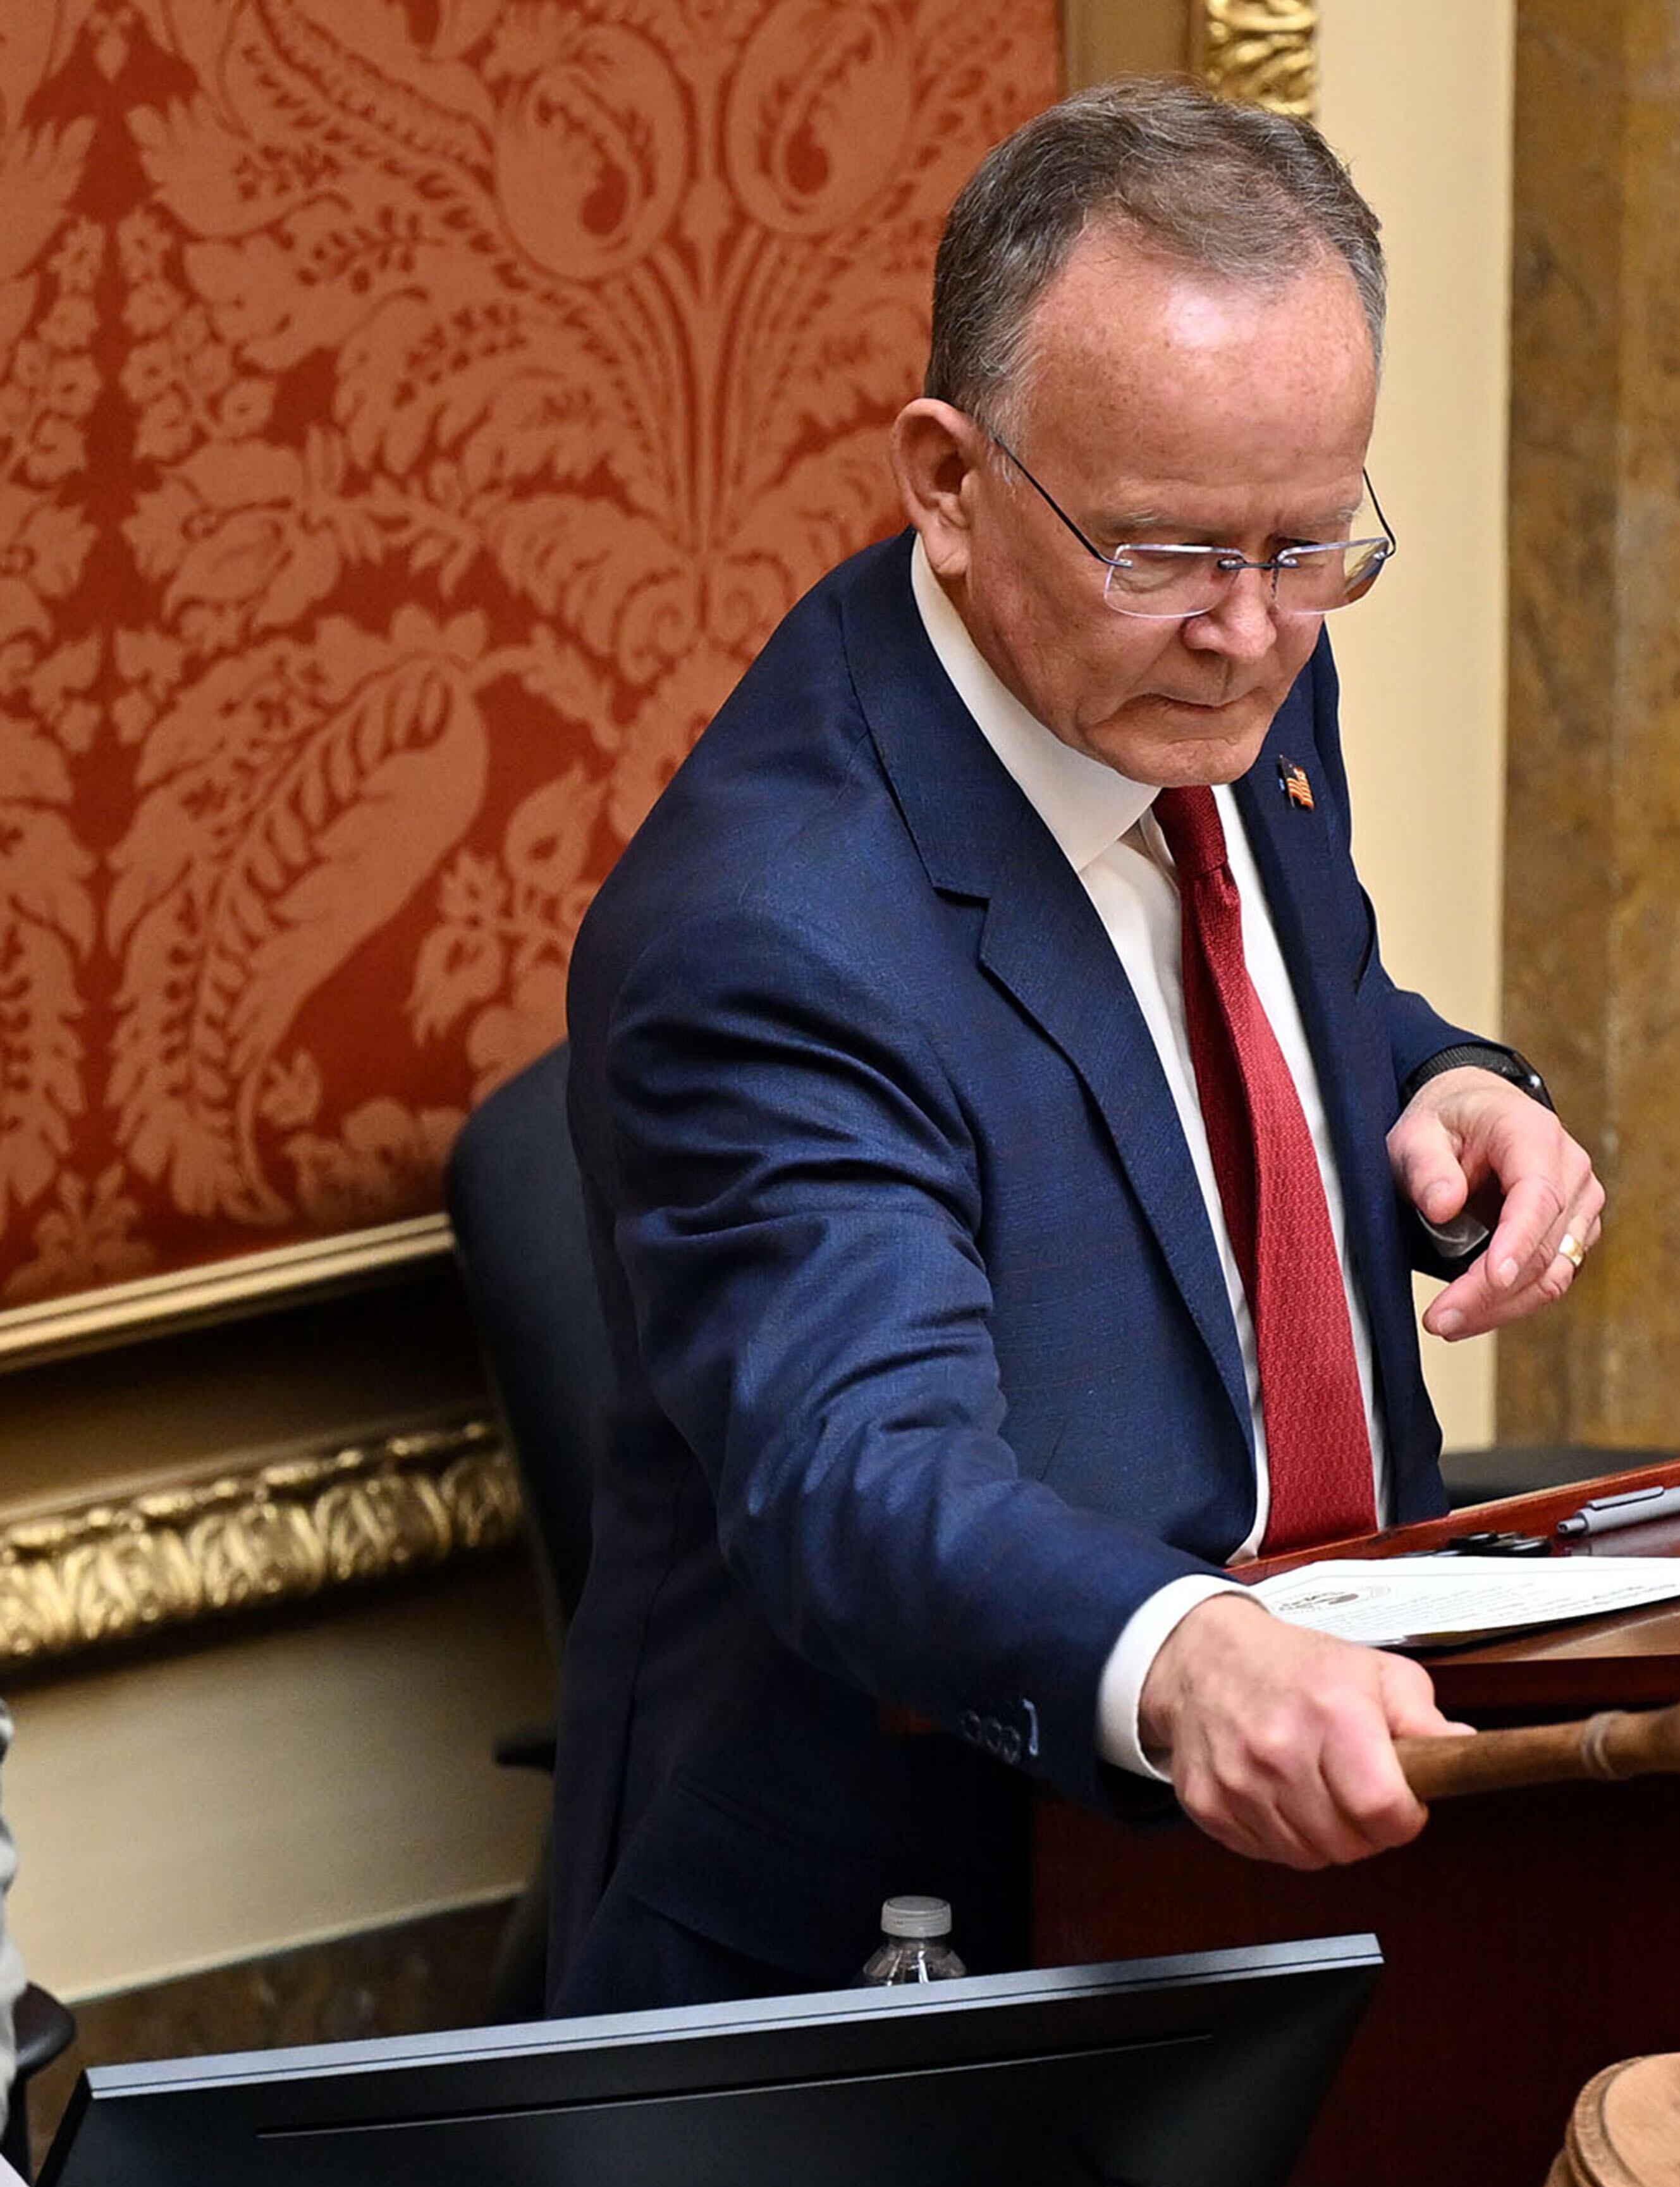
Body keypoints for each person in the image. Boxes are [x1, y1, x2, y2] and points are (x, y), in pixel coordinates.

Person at [548, 78, 1602, 2012]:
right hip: (924, 1956)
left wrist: (1446, 1085)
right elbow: (858, 1465)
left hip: (1328, 1826)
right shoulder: (769, 931)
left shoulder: (1226, 651)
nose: (1251, 632)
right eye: (1170, 552)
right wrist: (1184, 1654)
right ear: (948, 485)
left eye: (1311, 547)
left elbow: (1237, 995)